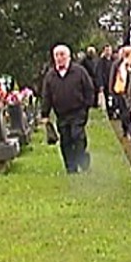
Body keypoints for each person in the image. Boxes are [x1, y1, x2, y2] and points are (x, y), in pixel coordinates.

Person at [41, 44, 96, 174]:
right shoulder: (50, 76)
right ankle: (71, 168)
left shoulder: (79, 71)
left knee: (77, 136)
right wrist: (45, 114)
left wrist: (87, 105)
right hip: (61, 114)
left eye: (62, 55)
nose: (59, 58)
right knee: (65, 140)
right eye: (56, 55)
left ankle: (82, 157)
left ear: (68, 56)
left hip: (78, 112)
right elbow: (46, 96)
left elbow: (89, 89)